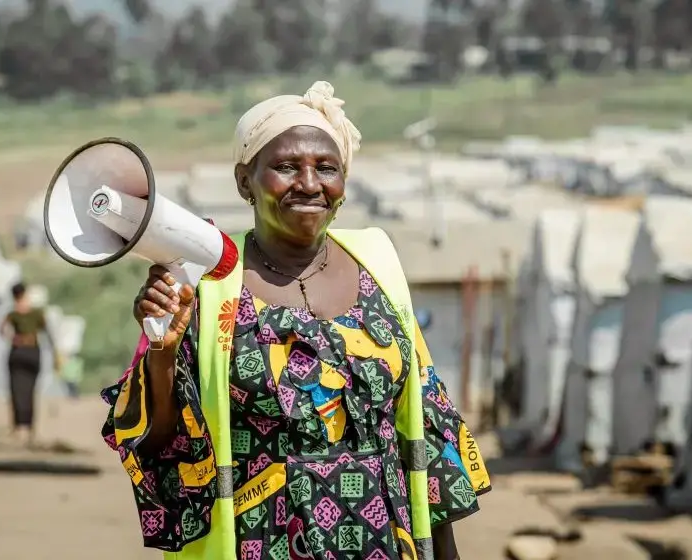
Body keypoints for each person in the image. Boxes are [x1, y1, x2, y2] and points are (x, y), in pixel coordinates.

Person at [101, 81, 491, 560]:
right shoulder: (207, 279)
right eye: (286, 167)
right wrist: (162, 349)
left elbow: (426, 430)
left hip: (385, 543)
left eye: (326, 168)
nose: (309, 183)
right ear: (246, 180)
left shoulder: (380, 266)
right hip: (261, 543)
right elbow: (160, 443)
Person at [1, 282, 57, 447]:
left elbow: (1, 329)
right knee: (30, 391)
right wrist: (56, 354)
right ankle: (30, 428)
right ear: (25, 294)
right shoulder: (36, 313)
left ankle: (19, 428)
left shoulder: (12, 314)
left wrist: (14, 338)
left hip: (17, 352)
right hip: (32, 351)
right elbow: (48, 332)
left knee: (16, 391)